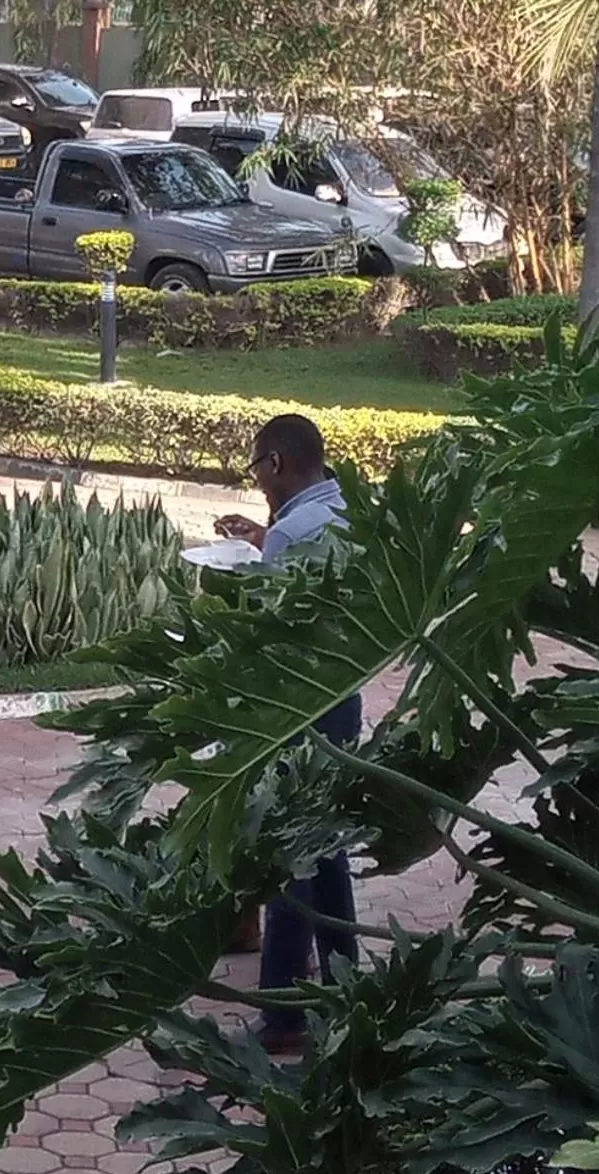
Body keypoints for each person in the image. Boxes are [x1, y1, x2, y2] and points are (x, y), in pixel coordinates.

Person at [214, 414, 360, 1056]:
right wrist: (264, 538)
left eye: (257, 468)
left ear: (275, 463)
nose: (258, 482)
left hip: (295, 710)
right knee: (326, 846)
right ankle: (345, 983)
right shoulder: (342, 511)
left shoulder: (292, 535)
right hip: (341, 701)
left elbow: (271, 633)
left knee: (287, 858)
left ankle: (282, 1014)